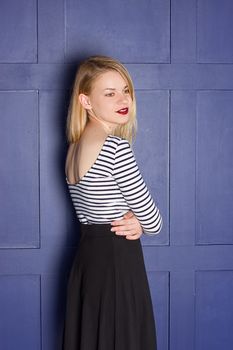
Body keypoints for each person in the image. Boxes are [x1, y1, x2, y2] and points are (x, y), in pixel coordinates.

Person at [62, 55, 163, 350]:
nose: (123, 99)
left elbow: (96, 207)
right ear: (86, 101)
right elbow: (154, 223)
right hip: (118, 260)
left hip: (89, 259)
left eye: (125, 90)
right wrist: (139, 221)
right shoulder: (115, 147)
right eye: (109, 93)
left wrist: (135, 218)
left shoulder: (73, 148)